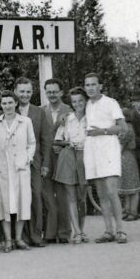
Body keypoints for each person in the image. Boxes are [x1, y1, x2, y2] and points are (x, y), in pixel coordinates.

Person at [0, 90, 36, 252]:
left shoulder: (25, 121)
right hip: (1, 169)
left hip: (20, 169)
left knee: (21, 203)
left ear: (16, 103)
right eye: (4, 103)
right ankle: (8, 240)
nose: (7, 106)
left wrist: (27, 158)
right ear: (1, 105)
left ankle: (19, 239)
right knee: (4, 204)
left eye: (10, 102)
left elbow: (32, 143)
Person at [83, 73, 127, 244]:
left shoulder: (110, 102)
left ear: (100, 86)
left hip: (108, 149)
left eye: (94, 84)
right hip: (92, 151)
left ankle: (121, 230)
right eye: (87, 85)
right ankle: (108, 230)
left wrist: (101, 131)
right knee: (101, 193)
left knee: (111, 191)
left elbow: (122, 127)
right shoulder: (87, 104)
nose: (91, 88)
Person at [14, 77, 52, 246]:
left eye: (28, 91)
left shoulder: (39, 112)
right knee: (17, 198)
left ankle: (36, 235)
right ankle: (20, 237)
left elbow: (46, 140)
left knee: (35, 196)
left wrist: (45, 164)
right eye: (22, 91)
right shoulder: (8, 109)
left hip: (35, 162)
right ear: (15, 91)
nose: (25, 94)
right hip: (14, 163)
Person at [53, 87, 89, 243]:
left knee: (82, 197)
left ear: (85, 101)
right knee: (71, 197)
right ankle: (78, 233)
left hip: (85, 157)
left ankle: (82, 229)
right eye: (74, 101)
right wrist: (68, 142)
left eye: (80, 100)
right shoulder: (67, 118)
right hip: (68, 156)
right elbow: (56, 140)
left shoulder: (92, 118)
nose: (77, 104)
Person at [41, 78, 73, 243]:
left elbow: (75, 135)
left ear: (61, 92)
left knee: (62, 195)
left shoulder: (70, 110)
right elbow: (42, 136)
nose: (52, 95)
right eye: (49, 92)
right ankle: (49, 234)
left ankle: (64, 233)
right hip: (46, 158)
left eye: (55, 91)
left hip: (63, 157)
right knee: (47, 195)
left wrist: (63, 145)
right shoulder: (41, 111)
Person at [118, 108, 140, 222]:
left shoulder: (126, 129)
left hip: (126, 156)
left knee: (132, 186)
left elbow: (121, 145)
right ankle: (128, 210)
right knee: (128, 186)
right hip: (127, 156)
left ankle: (133, 212)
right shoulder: (128, 127)